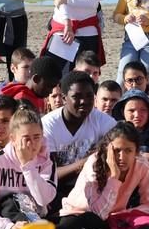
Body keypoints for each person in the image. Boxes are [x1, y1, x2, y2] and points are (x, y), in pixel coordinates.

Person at [58, 122, 149, 229]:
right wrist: (114, 177)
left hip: (112, 220)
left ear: (136, 152)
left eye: (128, 151)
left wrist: (124, 214)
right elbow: (98, 213)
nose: (122, 157)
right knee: (81, 221)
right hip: (79, 215)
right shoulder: (94, 162)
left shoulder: (141, 164)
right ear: (108, 149)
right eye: (117, 151)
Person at [43, 71, 116, 202]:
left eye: (89, 96)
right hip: (55, 191)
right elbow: (50, 175)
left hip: (92, 188)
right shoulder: (48, 125)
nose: (84, 101)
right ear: (64, 98)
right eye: (77, 96)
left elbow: (117, 147)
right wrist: (87, 161)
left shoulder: (102, 120)